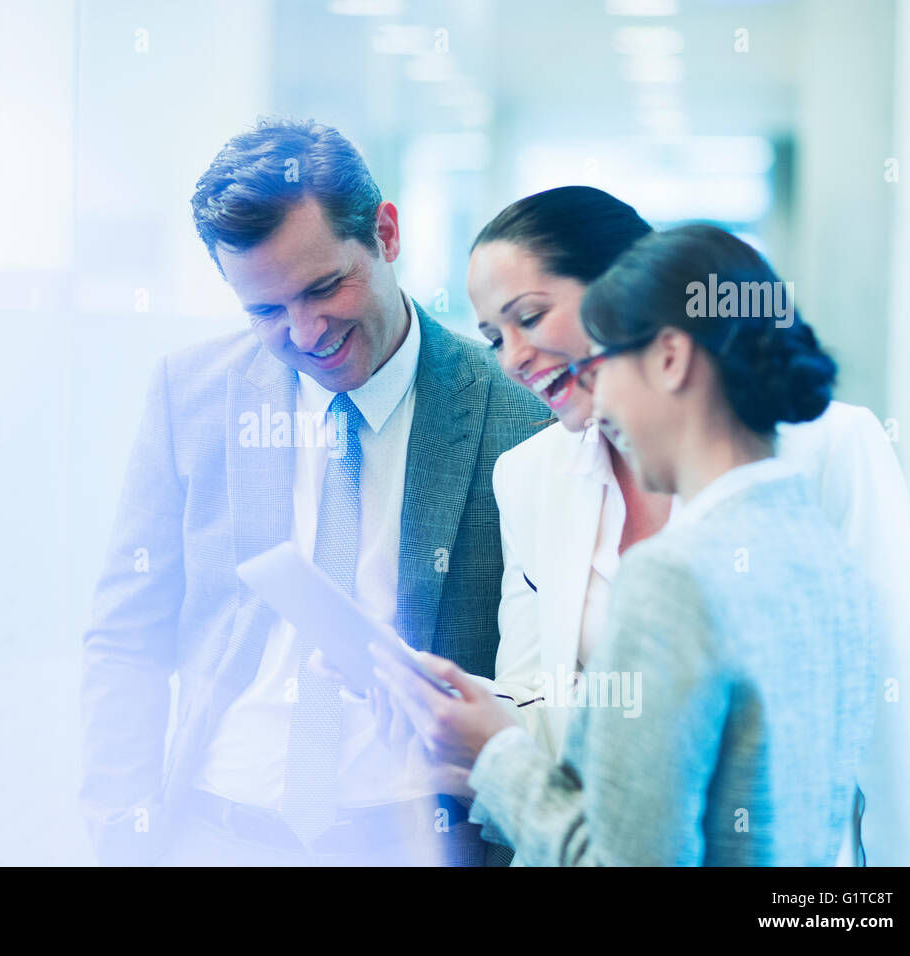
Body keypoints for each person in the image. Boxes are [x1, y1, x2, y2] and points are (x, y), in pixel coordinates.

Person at [79, 118, 547, 866]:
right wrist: (120, 831)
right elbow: (127, 635)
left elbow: (546, 680)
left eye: (325, 286)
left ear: (387, 234)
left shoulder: (519, 415)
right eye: (266, 311)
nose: (306, 332)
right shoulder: (190, 396)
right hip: (214, 831)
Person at [373, 224, 880, 865]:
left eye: (603, 364)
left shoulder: (672, 576)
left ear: (670, 359)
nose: (600, 402)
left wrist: (493, 758)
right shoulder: (816, 547)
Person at [467, 187, 910, 865]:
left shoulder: (828, 449)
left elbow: (896, 714)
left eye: (531, 317)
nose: (512, 356)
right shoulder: (527, 475)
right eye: (492, 338)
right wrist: (473, 726)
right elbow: (548, 707)